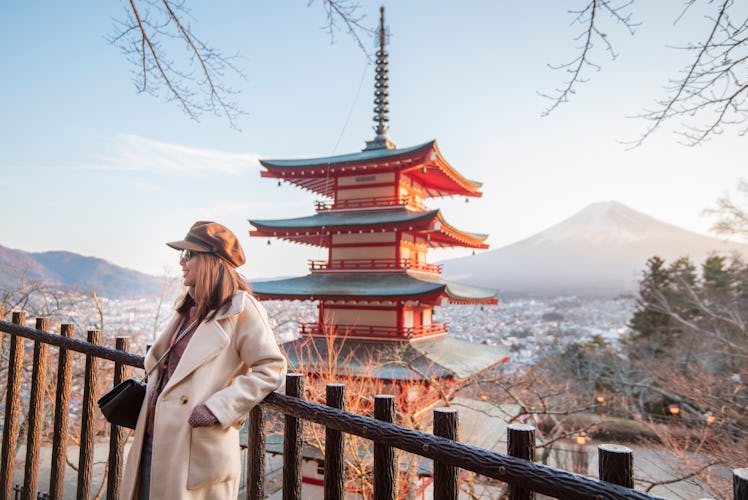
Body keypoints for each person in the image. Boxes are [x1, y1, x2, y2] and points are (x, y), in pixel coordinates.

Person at [120, 221, 287, 499]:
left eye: (189, 255)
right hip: (154, 437)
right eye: (182, 256)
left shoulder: (241, 310)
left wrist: (218, 408)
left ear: (211, 261)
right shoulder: (188, 307)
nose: (182, 263)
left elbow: (271, 368)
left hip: (194, 445)